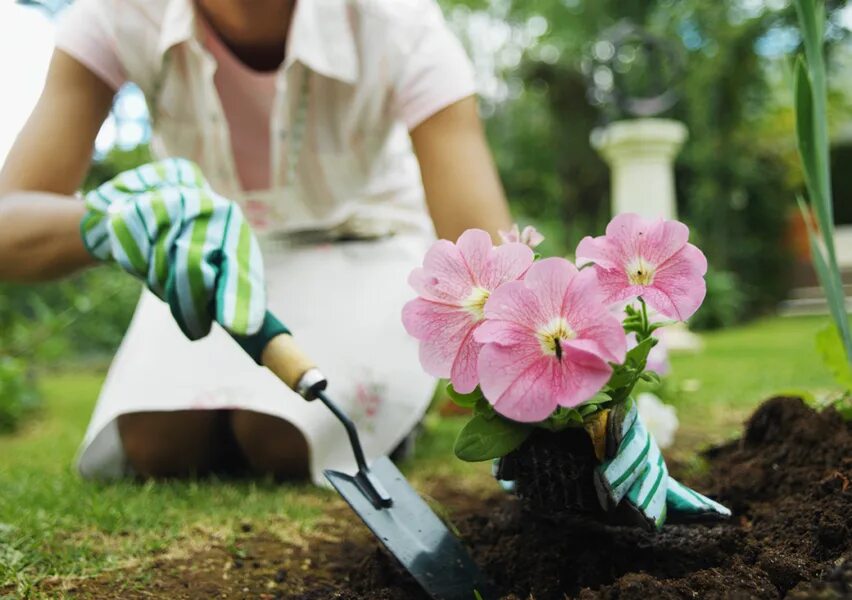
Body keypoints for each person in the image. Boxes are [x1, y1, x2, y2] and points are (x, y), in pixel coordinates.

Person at [0, 0, 512, 483]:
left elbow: (480, 247)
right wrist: (108, 224)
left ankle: (401, 406)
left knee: (280, 437)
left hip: (364, 242)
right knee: (157, 445)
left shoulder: (396, 20)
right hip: (215, 259)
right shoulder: (119, 14)